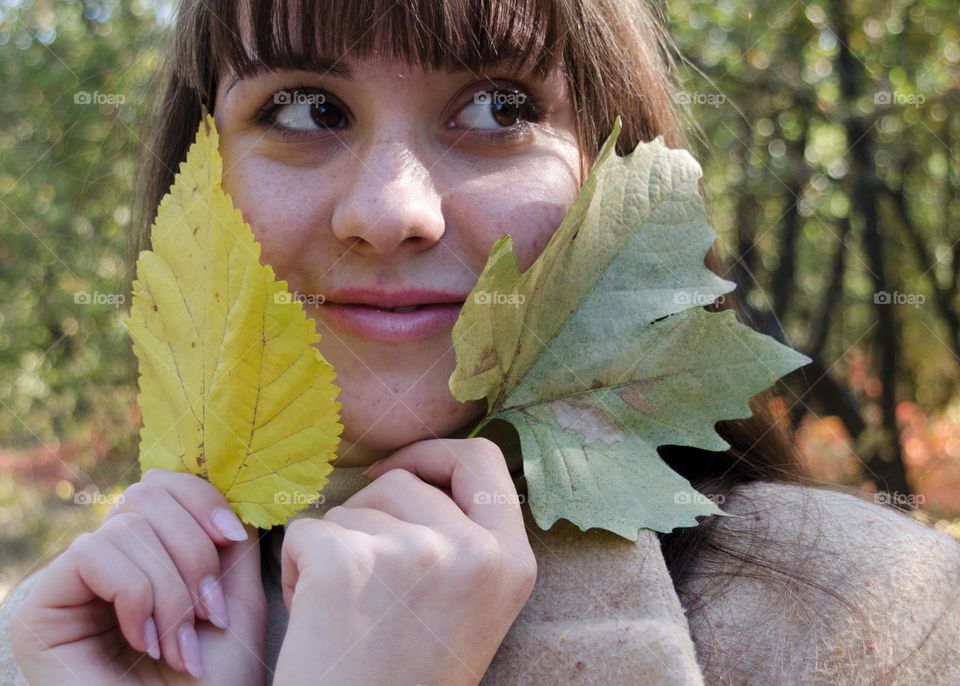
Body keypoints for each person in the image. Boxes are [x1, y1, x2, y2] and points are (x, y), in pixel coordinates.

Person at [4, 0, 960, 683]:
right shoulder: (72, 643)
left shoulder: (874, 618)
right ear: (200, 182)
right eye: (305, 108)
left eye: (499, 108)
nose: (389, 212)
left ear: (616, 179)